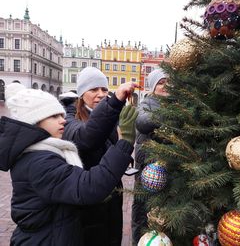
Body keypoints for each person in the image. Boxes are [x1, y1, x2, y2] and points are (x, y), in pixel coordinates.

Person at [0, 85, 138, 246]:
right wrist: (125, 142)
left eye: (61, 114)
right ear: (34, 122)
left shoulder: (42, 152)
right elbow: (88, 187)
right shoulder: (39, 161)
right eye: (54, 116)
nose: (63, 120)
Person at [62, 66, 138, 246]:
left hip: (111, 199)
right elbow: (86, 138)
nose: (101, 94)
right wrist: (114, 103)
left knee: (112, 238)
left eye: (104, 89)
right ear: (81, 93)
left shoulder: (109, 117)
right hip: (88, 204)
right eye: (94, 89)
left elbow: (108, 148)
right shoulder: (68, 117)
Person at [131, 68, 170, 245]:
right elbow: (142, 122)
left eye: (168, 81)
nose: (165, 86)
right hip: (147, 165)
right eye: (161, 83)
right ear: (153, 87)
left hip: (166, 163)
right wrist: (171, 115)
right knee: (142, 209)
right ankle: (138, 240)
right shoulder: (147, 103)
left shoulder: (175, 102)